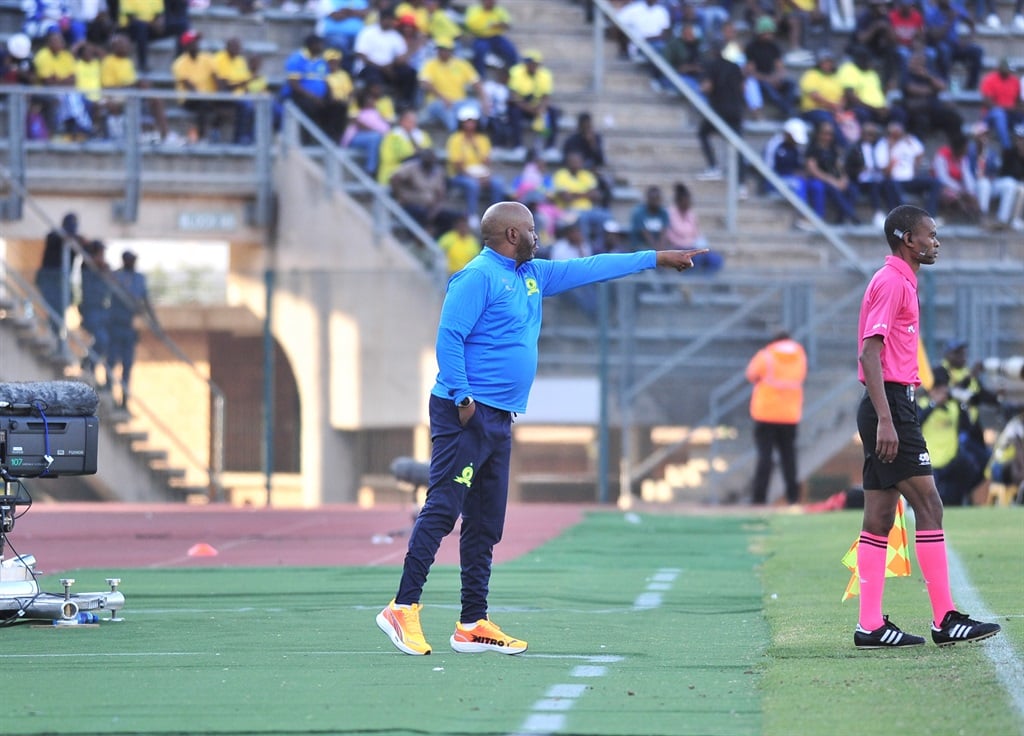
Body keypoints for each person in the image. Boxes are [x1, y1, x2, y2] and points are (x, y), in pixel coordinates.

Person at [375, 200, 708, 656]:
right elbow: (448, 336)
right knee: (443, 509)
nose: (539, 235)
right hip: (467, 412)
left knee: (485, 522)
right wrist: (462, 396)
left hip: (499, 416)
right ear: (512, 235)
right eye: (532, 229)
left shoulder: (531, 275)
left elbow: (589, 267)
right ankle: (403, 606)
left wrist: (655, 258)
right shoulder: (478, 276)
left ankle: (472, 622)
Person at [851, 203, 1001, 649]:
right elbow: (869, 354)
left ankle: (870, 626)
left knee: (879, 517)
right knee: (930, 506)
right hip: (891, 405)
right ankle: (944, 619)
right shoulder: (893, 281)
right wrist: (886, 418)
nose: (935, 241)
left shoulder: (902, 280)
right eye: (929, 234)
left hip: (893, 404)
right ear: (906, 238)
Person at [745, 331, 807, 506]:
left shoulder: (766, 355)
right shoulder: (800, 356)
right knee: (789, 458)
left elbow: (751, 374)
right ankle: (793, 497)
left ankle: (759, 498)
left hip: (765, 413)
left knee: (765, 457)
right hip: (790, 415)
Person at [109, 249, 157, 410]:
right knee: (112, 361)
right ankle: (109, 392)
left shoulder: (139, 278)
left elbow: (145, 300)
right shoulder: (116, 276)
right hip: (114, 325)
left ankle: (124, 400)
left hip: (128, 327)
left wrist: (154, 321)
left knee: (127, 365)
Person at [36, 211, 84, 339]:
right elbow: (59, 237)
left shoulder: (75, 241)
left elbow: (85, 249)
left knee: (62, 307)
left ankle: (56, 337)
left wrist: (80, 241)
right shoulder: (53, 236)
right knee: (54, 309)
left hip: (63, 281)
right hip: (49, 279)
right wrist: (70, 238)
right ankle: (54, 337)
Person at [78, 239, 112, 386]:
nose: (103, 255)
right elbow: (95, 263)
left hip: (100, 308)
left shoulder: (99, 267)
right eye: (101, 252)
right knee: (102, 339)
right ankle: (89, 364)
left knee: (104, 341)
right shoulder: (87, 264)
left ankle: (88, 362)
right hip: (90, 308)